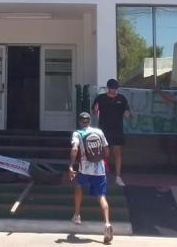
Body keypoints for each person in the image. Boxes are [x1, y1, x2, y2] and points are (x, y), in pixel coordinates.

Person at [69, 111, 114, 244]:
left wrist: (71, 165)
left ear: (79, 121)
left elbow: (75, 149)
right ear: (89, 121)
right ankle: (106, 223)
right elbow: (106, 151)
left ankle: (77, 215)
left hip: (84, 169)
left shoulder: (77, 133)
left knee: (78, 186)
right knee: (101, 196)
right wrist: (100, 159)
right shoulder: (99, 132)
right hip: (99, 170)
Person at [92, 78, 131, 186]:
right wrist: (95, 110)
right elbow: (94, 112)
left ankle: (118, 177)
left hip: (117, 129)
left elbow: (127, 110)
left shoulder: (121, 98)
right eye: (112, 89)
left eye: (115, 89)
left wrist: (127, 113)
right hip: (104, 129)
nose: (114, 91)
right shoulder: (101, 98)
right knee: (105, 152)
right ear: (108, 88)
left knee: (117, 152)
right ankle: (101, 175)